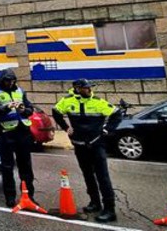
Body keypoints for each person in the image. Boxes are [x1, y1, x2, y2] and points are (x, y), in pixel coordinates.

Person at [52, 78, 123, 223]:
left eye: (89, 87)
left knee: (102, 177)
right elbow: (56, 111)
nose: (88, 90)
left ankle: (110, 209)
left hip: (96, 145)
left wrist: (106, 130)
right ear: (77, 89)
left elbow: (116, 114)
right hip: (79, 145)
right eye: (85, 88)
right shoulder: (68, 101)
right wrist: (66, 127)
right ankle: (95, 203)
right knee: (88, 175)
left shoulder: (98, 102)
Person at [0, 68, 36, 208]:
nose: (10, 83)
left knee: (26, 166)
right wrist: (6, 107)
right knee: (7, 167)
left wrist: (23, 110)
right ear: (2, 80)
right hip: (6, 133)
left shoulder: (20, 91)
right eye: (7, 80)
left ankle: (28, 195)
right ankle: (10, 197)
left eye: (12, 80)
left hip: (23, 131)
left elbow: (30, 109)